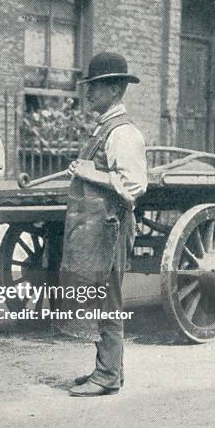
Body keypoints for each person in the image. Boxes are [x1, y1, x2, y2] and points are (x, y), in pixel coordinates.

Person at [56, 52, 148, 397]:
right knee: (104, 296)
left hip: (112, 226)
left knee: (108, 298)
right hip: (98, 225)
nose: (88, 93)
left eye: (95, 87)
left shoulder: (124, 133)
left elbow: (135, 184)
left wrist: (87, 171)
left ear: (114, 89)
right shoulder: (105, 129)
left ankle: (107, 374)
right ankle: (111, 370)